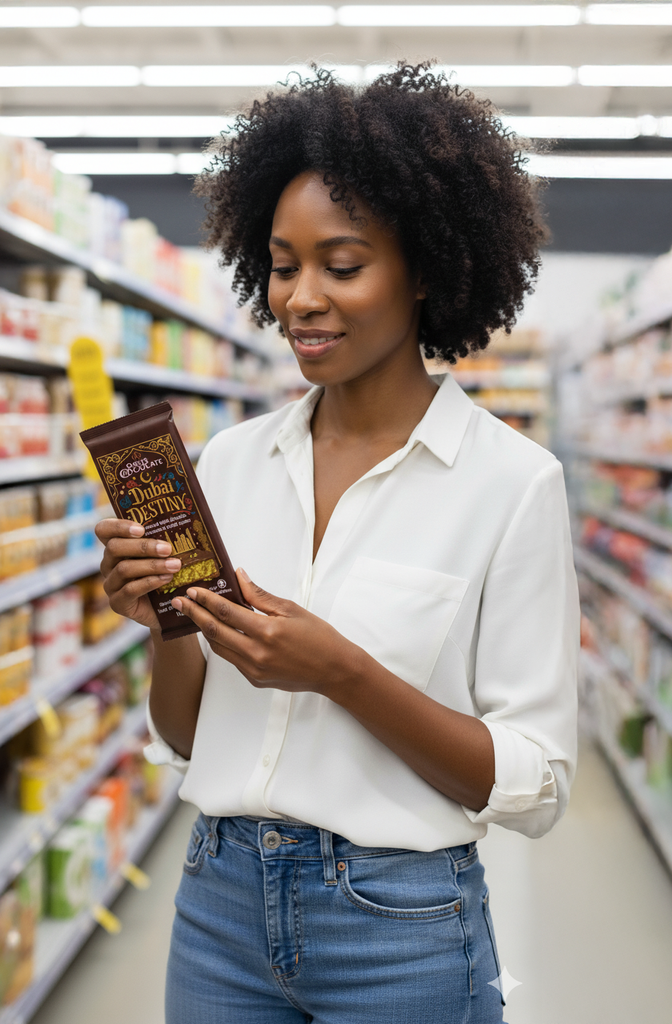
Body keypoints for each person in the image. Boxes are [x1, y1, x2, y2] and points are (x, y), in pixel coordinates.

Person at [95, 63, 578, 1024]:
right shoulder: (226, 467)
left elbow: (535, 784)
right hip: (218, 910)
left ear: (428, 270)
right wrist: (165, 622)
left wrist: (341, 672)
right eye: (282, 265)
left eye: (342, 266)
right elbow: (191, 736)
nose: (300, 299)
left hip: (398, 924)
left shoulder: (512, 484)